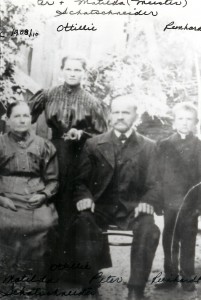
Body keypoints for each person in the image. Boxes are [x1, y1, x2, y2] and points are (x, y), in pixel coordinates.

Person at [73, 95, 161, 300]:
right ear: (110, 115)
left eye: (126, 112)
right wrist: (85, 197)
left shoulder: (149, 146)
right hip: (100, 207)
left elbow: (156, 183)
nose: (120, 117)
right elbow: (80, 182)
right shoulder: (94, 144)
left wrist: (148, 202)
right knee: (83, 222)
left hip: (133, 208)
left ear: (136, 117)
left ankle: (136, 289)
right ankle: (89, 286)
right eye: (116, 112)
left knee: (149, 228)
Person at [28, 55, 108, 261]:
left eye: (77, 70)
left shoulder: (92, 101)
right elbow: (22, 117)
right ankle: (52, 263)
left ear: (84, 73)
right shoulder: (48, 95)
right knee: (53, 201)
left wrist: (83, 134)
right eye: (69, 69)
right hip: (53, 153)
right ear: (62, 70)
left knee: (76, 204)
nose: (73, 73)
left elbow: (103, 136)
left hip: (82, 155)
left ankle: (80, 266)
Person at [0, 101, 59, 275]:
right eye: (16, 116)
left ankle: (34, 279)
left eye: (25, 115)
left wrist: (43, 195)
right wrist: (1, 199)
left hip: (35, 197)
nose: (22, 120)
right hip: (5, 197)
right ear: (8, 119)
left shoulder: (44, 145)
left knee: (46, 224)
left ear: (31, 119)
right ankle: (6, 278)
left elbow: (53, 180)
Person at [155, 102, 201, 292]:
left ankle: (188, 277)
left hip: (190, 203)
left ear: (195, 123)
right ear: (174, 122)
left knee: (189, 238)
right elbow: (157, 175)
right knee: (170, 238)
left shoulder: (199, 146)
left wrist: (199, 205)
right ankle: (170, 276)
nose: (184, 123)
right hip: (170, 202)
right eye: (180, 119)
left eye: (189, 119)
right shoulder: (164, 145)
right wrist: (159, 201)